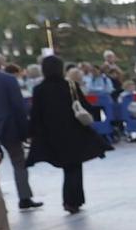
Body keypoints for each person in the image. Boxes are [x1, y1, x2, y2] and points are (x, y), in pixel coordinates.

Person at [27, 54, 109, 214]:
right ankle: (73, 200)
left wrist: (31, 133)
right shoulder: (70, 86)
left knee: (67, 166)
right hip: (73, 132)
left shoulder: (39, 90)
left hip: (52, 134)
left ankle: (71, 200)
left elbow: (35, 114)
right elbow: (85, 106)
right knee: (74, 166)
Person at [0, 50, 39, 214]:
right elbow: (18, 107)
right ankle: (24, 197)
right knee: (19, 162)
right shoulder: (7, 79)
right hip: (8, 126)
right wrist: (25, 131)